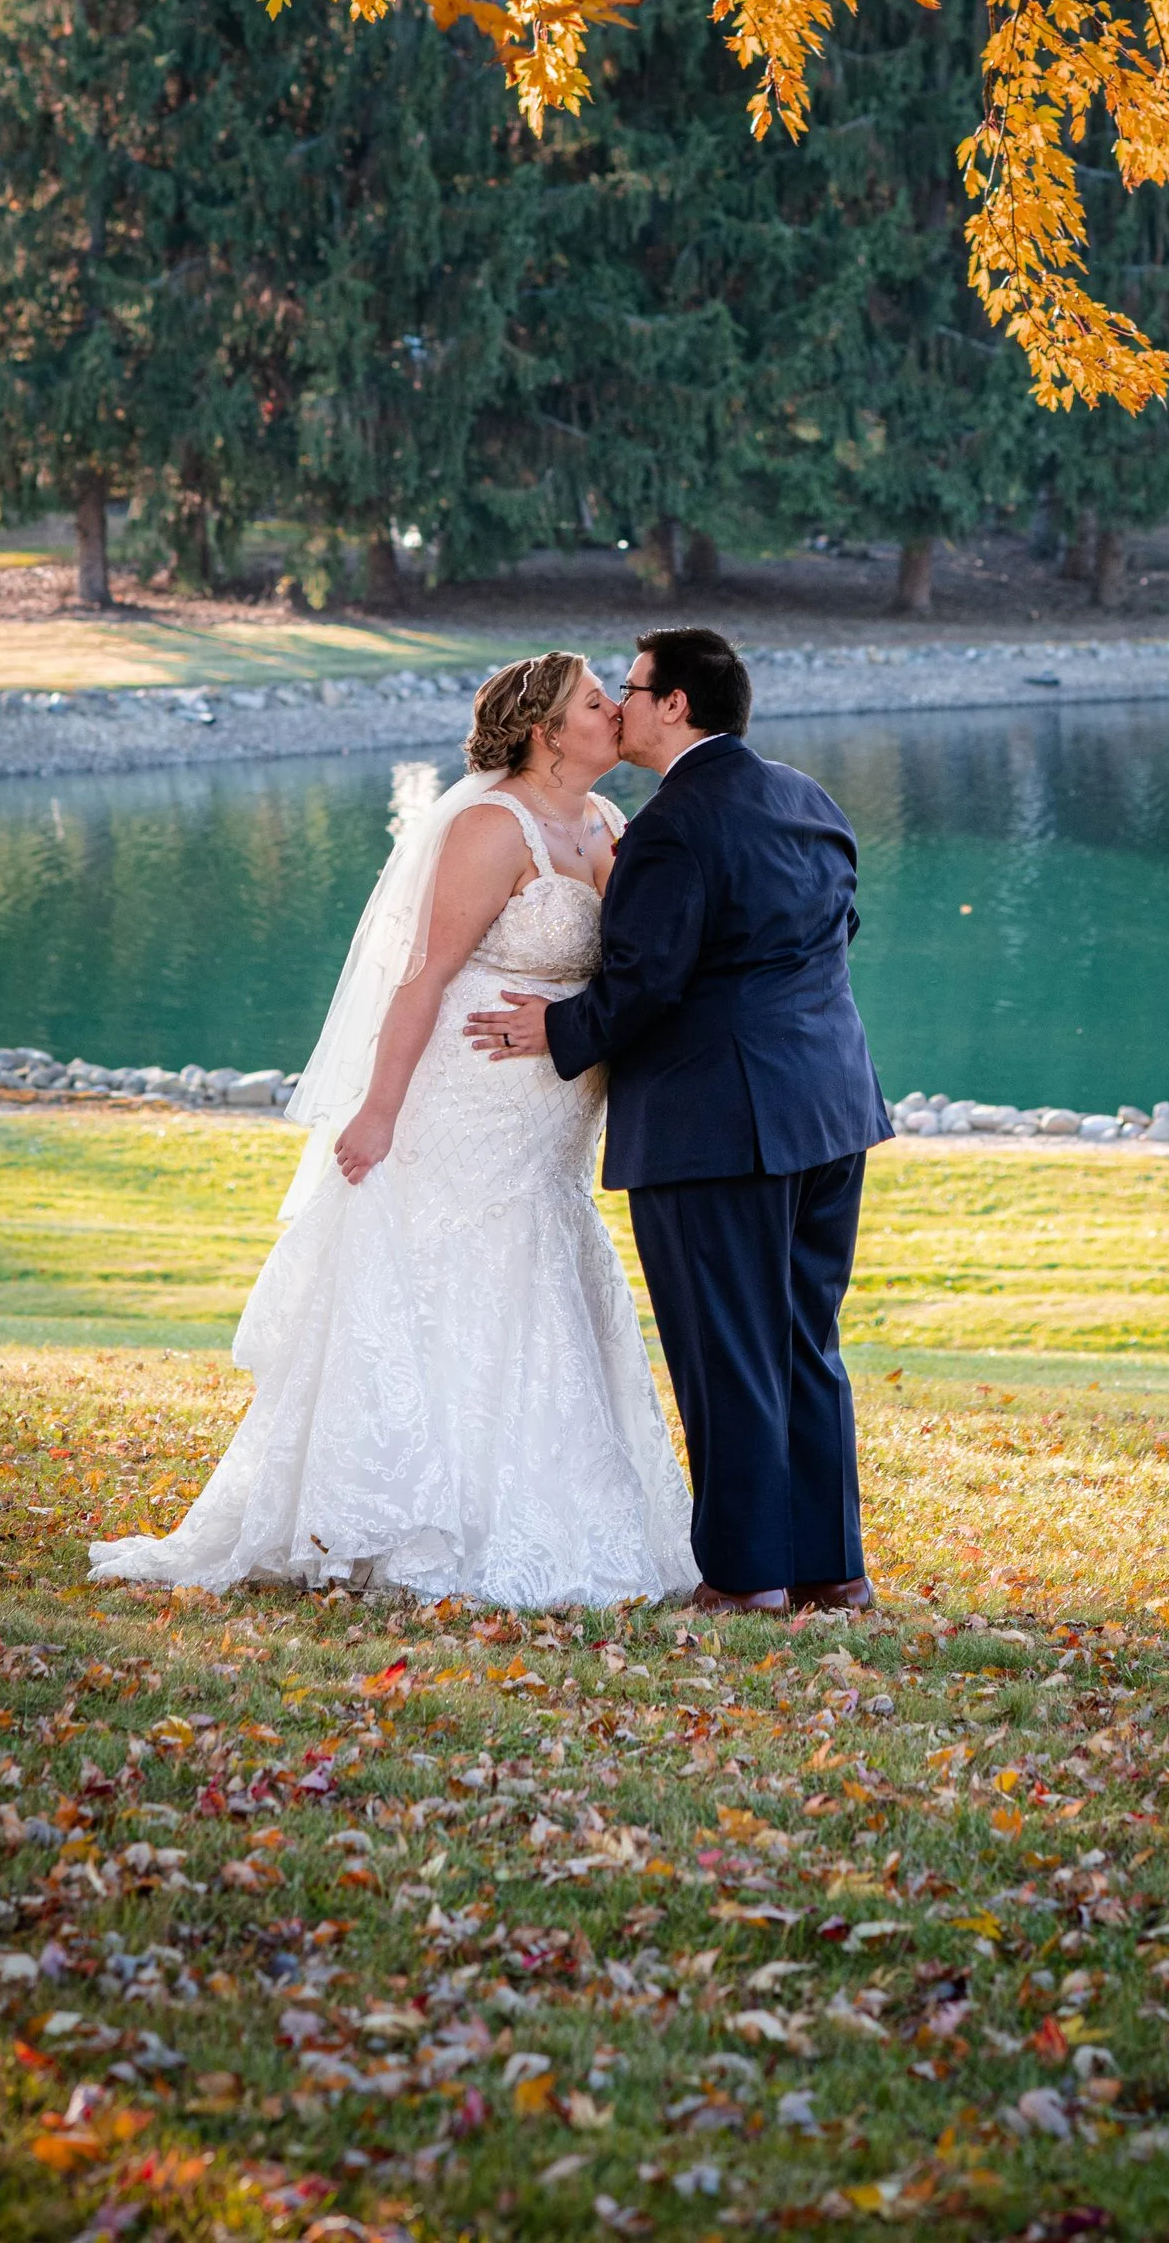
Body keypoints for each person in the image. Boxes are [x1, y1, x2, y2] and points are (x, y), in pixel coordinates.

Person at [88, 652, 695, 1608]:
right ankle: (414, 1519)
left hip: (554, 1109)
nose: (616, 710)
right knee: (461, 1274)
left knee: (541, 1268)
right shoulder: (491, 827)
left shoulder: (609, 821)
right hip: (470, 1095)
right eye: (594, 701)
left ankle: (550, 1510)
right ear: (547, 730)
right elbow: (422, 977)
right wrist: (378, 1111)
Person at [468, 626, 891, 1615]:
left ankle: (745, 1580)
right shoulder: (805, 798)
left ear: (676, 706)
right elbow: (833, 932)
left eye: (631, 688)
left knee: (725, 1351)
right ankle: (833, 1574)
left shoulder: (670, 826)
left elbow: (647, 976)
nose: (617, 704)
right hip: (829, 1109)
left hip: (718, 1125)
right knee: (801, 1344)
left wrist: (561, 1029)